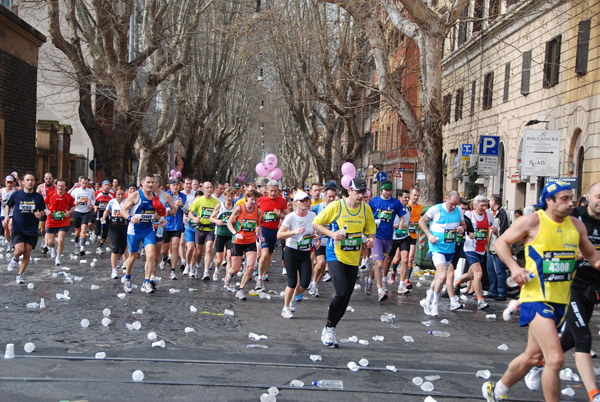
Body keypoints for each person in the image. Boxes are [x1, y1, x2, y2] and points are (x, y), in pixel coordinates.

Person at [482, 181, 600, 402]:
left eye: (571, 198)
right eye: (564, 199)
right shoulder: (533, 221)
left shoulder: (576, 225)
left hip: (561, 301)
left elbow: (594, 258)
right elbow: (501, 243)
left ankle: (495, 390)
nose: (570, 203)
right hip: (535, 298)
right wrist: (515, 267)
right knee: (555, 359)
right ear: (549, 200)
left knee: (532, 356)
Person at [522, 182, 600, 402]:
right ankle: (595, 395)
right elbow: (506, 243)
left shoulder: (579, 224)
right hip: (566, 287)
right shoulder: (574, 218)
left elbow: (595, 258)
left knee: (567, 340)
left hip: (589, 288)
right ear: (589, 197)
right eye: (598, 196)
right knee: (581, 339)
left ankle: (534, 366)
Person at [313, 178, 376, 347]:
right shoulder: (337, 206)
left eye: (364, 192)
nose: (361, 196)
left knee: (347, 297)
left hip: (353, 257)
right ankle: (327, 329)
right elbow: (316, 223)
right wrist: (332, 235)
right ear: (350, 191)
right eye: (358, 192)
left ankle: (331, 326)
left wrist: (370, 241)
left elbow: (370, 233)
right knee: (341, 292)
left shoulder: (366, 209)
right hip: (335, 255)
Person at [419, 190, 466, 316]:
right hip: (437, 247)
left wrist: (462, 228)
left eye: (456, 204)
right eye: (452, 204)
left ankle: (427, 300)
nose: (454, 207)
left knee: (438, 278)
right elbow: (421, 221)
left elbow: (463, 224)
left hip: (450, 248)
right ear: (446, 199)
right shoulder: (436, 209)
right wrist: (429, 235)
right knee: (442, 277)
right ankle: (434, 304)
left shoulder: (459, 211)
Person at [119, 174, 166, 294]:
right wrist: (130, 217)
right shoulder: (135, 195)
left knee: (150, 255)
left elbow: (154, 214)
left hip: (148, 229)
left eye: (152, 182)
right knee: (132, 257)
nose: (150, 185)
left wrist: (160, 220)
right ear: (142, 183)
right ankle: (128, 277)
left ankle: (146, 282)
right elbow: (122, 210)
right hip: (134, 230)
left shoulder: (155, 196)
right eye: (148, 182)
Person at [277, 191, 318, 318]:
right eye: (301, 201)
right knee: (292, 282)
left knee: (305, 283)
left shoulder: (312, 215)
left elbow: (315, 230)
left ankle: (293, 296)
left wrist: (316, 237)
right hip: (292, 251)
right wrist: (294, 231)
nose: (305, 203)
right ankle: (286, 308)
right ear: (295, 203)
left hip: (305, 252)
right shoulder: (290, 217)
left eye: (306, 200)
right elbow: (279, 235)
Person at [366, 180, 406, 302]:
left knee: (381, 263)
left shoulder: (396, 203)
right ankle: (380, 291)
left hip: (389, 238)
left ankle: (370, 280)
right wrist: (372, 224)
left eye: (390, 190)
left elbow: (402, 217)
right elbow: (367, 216)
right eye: (386, 190)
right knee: (378, 264)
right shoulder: (374, 202)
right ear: (381, 190)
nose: (388, 193)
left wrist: (400, 228)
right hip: (376, 236)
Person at [454, 195, 495, 310]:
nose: (484, 208)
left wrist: (495, 230)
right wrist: (467, 233)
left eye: (486, 205)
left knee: (472, 275)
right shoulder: (468, 215)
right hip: (470, 247)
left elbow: (494, 229)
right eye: (482, 205)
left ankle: (457, 282)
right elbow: (460, 227)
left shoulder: (489, 215)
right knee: (479, 273)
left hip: (481, 249)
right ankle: (480, 300)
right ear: (476, 205)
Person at [5, 173, 46, 284]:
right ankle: (14, 258)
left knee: (27, 252)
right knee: (20, 250)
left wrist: (40, 214)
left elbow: (43, 210)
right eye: (27, 180)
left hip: (31, 228)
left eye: (32, 180)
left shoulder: (38, 197)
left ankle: (20, 274)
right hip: (18, 227)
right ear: (23, 182)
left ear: (34, 182)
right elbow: (8, 205)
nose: (30, 182)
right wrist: (7, 217)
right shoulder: (16, 195)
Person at [225, 190, 262, 300]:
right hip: (238, 241)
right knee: (235, 269)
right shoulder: (239, 208)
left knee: (250, 267)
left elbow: (258, 225)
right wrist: (235, 233)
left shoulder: (258, 211)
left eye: (255, 200)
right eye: (252, 199)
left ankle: (241, 290)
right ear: (247, 198)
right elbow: (229, 223)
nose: (253, 202)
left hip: (250, 241)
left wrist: (260, 236)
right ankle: (229, 275)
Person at [256, 180, 288, 291]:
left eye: (275, 191)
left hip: (275, 231)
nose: (273, 193)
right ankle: (259, 279)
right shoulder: (260, 201)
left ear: (278, 191)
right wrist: (257, 229)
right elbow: (255, 214)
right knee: (264, 254)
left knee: (270, 255)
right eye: (271, 191)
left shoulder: (282, 201)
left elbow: (289, 216)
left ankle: (264, 274)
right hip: (263, 229)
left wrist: (281, 215)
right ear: (267, 190)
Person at [308, 186, 337, 297]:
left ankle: (315, 283)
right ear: (324, 196)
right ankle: (314, 283)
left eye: (333, 197)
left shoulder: (337, 208)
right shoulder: (316, 208)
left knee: (325, 264)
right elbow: (311, 222)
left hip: (331, 240)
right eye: (329, 196)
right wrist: (315, 235)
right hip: (319, 239)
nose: (331, 199)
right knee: (320, 263)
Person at [188, 181, 219, 279]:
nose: (209, 189)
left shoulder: (216, 202)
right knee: (198, 251)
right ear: (203, 189)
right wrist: (194, 218)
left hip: (211, 228)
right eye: (207, 188)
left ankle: (206, 272)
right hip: (200, 228)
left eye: (211, 187)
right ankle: (195, 266)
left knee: (209, 249)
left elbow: (219, 214)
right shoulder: (198, 200)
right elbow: (190, 213)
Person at [44, 179, 75, 266]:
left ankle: (58, 257)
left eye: (62, 186)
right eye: (59, 185)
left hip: (63, 221)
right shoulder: (51, 194)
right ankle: (53, 248)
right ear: (56, 186)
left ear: (65, 187)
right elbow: (44, 204)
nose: (60, 187)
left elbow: (73, 206)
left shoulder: (68, 196)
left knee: (61, 239)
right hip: (52, 221)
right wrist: (47, 211)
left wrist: (69, 212)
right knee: (51, 242)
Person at [388, 189, 413, 294]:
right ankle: (391, 273)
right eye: (405, 197)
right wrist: (399, 226)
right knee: (392, 259)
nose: (407, 199)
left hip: (404, 237)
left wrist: (410, 223)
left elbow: (407, 219)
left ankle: (402, 284)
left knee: (405, 259)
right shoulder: (394, 208)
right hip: (394, 237)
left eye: (408, 197)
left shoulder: (409, 208)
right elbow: (390, 223)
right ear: (399, 198)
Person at [162, 178, 186, 280]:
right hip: (166, 224)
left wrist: (182, 205)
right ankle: (164, 258)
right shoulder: (165, 195)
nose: (175, 187)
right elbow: (162, 208)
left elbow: (187, 210)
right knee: (164, 249)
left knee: (175, 246)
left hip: (177, 225)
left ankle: (173, 270)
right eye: (173, 185)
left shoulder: (183, 196)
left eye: (177, 185)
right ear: (170, 186)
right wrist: (172, 207)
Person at [209, 187, 235, 281]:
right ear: (224, 196)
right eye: (228, 196)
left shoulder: (235, 207)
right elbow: (211, 218)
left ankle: (227, 278)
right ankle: (217, 269)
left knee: (229, 257)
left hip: (230, 234)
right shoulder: (220, 206)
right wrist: (216, 221)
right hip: (220, 233)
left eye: (232, 196)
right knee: (219, 259)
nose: (230, 198)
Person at [487, 193, 509, 301]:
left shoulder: (502, 213)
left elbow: (504, 230)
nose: (489, 203)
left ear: (494, 202)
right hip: (490, 246)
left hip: (497, 246)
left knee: (499, 271)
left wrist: (498, 234)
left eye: (490, 201)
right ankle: (493, 291)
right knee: (491, 270)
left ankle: (501, 293)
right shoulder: (491, 213)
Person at [103, 186, 128, 279]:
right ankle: (114, 270)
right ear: (115, 194)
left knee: (122, 249)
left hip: (125, 226)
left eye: (122, 194)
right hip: (114, 225)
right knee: (115, 248)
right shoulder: (112, 202)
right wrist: (103, 217)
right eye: (118, 194)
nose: (120, 196)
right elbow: (107, 210)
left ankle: (121, 259)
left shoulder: (127, 202)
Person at [69, 176, 95, 256]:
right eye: (83, 183)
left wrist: (92, 205)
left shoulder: (90, 190)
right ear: (80, 183)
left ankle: (82, 248)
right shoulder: (76, 191)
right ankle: (77, 243)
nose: (84, 185)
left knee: (84, 230)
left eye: (86, 183)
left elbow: (94, 199)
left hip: (86, 212)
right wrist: (74, 203)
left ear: (88, 183)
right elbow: (69, 198)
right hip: (77, 211)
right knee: (77, 231)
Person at [36, 172, 56, 254]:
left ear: (52, 179)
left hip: (52, 210)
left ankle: (47, 244)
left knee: (50, 227)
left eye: (50, 178)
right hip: (43, 209)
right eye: (46, 178)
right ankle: (45, 240)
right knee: (43, 229)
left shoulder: (55, 187)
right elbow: (36, 196)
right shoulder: (41, 187)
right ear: (44, 179)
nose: (48, 180)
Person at [93, 180, 114, 251]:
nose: (107, 186)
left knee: (106, 230)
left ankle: (100, 244)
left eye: (108, 185)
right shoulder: (97, 193)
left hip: (107, 214)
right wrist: (95, 207)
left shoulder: (112, 195)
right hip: (99, 213)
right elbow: (92, 202)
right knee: (98, 231)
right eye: (105, 185)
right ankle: (95, 234)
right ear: (102, 186)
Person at [1, 174, 18, 250]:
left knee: (10, 227)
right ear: (5, 182)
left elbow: (24, 188)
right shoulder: (1, 190)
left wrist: (18, 179)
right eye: (8, 182)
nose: (9, 184)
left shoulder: (15, 190)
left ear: (13, 183)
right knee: (6, 229)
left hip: (13, 212)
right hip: (3, 212)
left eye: (11, 182)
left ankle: (13, 242)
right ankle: (9, 243)